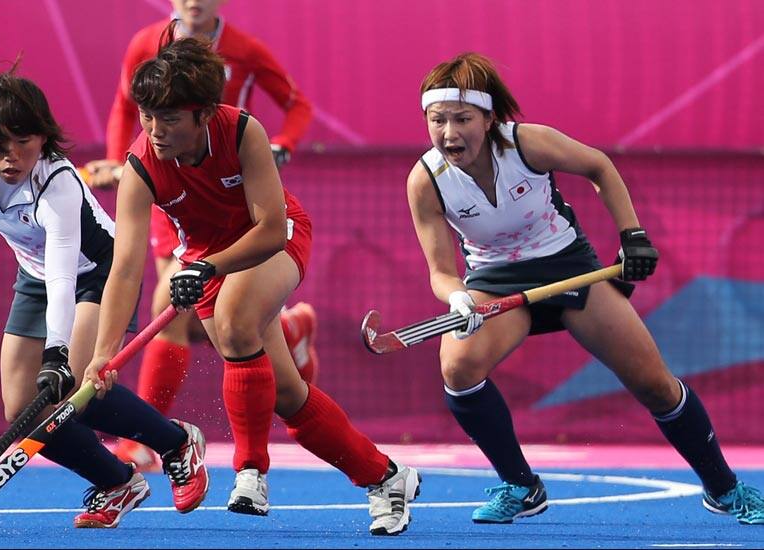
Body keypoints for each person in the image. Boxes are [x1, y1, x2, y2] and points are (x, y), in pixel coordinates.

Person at [406, 52, 764, 525]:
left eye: (462, 119)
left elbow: (600, 167)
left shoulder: (527, 143)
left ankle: (724, 488)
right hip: (494, 282)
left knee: (654, 385)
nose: (449, 133)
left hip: (567, 267)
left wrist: (632, 236)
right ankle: (521, 485)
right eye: (438, 120)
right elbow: (440, 271)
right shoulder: (425, 181)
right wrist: (459, 297)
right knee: (458, 367)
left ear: (490, 118)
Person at [84, 38, 419, 536]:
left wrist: (209, 267)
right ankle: (386, 477)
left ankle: (249, 470)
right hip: (205, 259)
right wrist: (103, 354)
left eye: (170, 119)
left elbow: (267, 226)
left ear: (202, 115)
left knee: (238, 323)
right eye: (148, 116)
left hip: (272, 239)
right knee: (285, 394)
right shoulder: (139, 167)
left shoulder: (241, 129)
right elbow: (126, 269)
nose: (155, 131)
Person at [0, 66, 210, 529]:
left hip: (96, 273)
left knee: (77, 388)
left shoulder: (57, 183)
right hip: (35, 274)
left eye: (24, 143)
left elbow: (66, 271)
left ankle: (175, 442)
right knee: (21, 408)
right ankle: (117, 482)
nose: (11, 157)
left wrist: (57, 353)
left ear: (43, 137)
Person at [83, 0, 318, 469]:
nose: (192, 1)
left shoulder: (245, 51)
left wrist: (281, 144)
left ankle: (153, 437)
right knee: (187, 312)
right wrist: (120, 161)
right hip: (171, 193)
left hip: (228, 192)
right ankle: (286, 329)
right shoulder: (144, 46)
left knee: (199, 313)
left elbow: (297, 105)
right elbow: (125, 108)